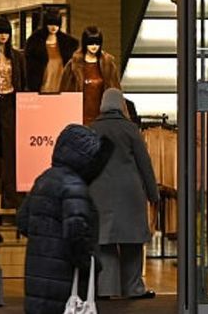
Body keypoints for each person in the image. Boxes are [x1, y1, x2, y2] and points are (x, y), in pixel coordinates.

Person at [17, 124, 113, 314]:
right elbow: (77, 235)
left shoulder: (44, 179)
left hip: (38, 276)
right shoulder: (74, 186)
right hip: (64, 280)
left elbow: (23, 221)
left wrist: (46, 242)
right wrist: (89, 263)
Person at [88, 88, 160, 300]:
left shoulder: (92, 129)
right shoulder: (130, 129)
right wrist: (153, 194)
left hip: (100, 193)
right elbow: (144, 163)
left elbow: (87, 162)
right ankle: (133, 288)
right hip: (130, 193)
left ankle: (106, 289)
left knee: (105, 242)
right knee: (132, 242)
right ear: (121, 105)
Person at [0, 16, 27, 209]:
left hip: (11, 102)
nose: (3, 36)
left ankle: (10, 197)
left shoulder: (17, 56)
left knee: (10, 150)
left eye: (6, 32)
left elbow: (23, 81)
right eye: (0, 32)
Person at [59, 26, 121, 125]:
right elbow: (64, 91)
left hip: (102, 117)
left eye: (97, 43)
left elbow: (116, 91)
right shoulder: (73, 65)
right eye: (91, 43)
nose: (94, 46)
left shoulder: (108, 64)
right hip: (78, 115)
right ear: (85, 43)